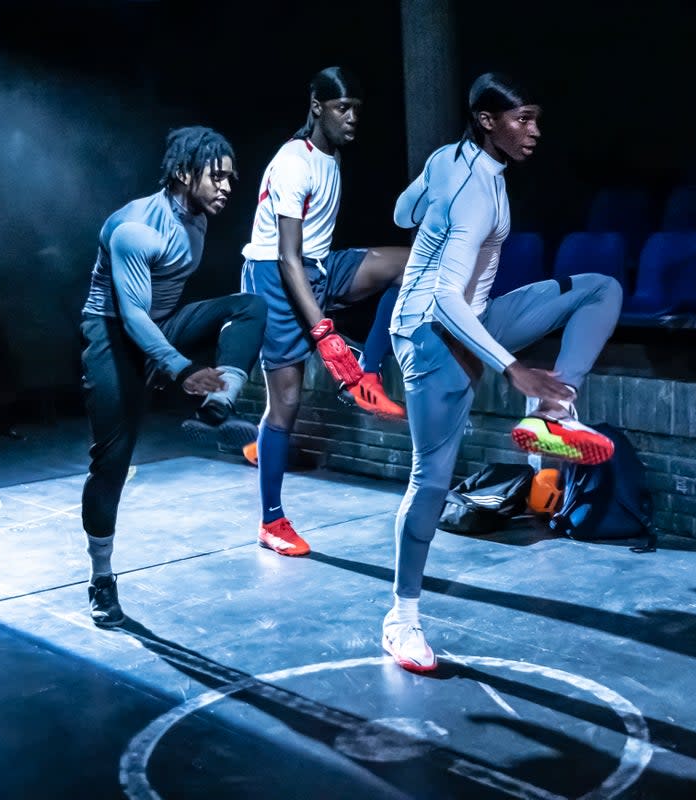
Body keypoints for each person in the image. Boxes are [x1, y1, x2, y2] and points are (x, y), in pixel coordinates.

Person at [381, 73, 623, 671]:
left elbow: (400, 211)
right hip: (429, 335)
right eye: (523, 119)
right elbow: (440, 296)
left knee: (598, 289)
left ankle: (552, 412)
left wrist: (429, 204)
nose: (534, 131)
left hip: (475, 315)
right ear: (488, 121)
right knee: (432, 482)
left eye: (537, 118)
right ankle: (402, 619)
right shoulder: (472, 193)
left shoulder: (453, 162)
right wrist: (514, 368)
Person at [79, 126, 266, 627]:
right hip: (114, 334)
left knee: (248, 306)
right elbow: (134, 315)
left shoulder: (198, 217)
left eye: (232, 178)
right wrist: (178, 366)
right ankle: (101, 578)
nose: (228, 188)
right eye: (218, 177)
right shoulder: (135, 228)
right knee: (112, 460)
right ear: (185, 174)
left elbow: (161, 314)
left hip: (160, 325)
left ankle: (219, 403)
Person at [240, 66, 409, 557]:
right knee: (285, 404)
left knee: (407, 264)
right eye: (342, 109)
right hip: (274, 277)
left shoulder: (331, 158)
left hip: (318, 266)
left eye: (357, 109)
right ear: (318, 108)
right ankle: (271, 521)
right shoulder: (294, 162)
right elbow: (286, 257)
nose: (352, 118)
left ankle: (366, 377)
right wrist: (324, 332)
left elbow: (309, 255)